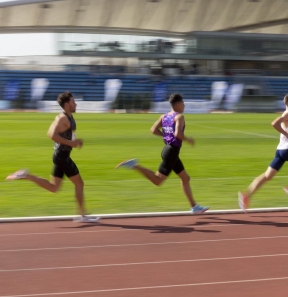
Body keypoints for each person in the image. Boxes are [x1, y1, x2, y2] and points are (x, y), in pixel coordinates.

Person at [6, 91, 100, 223]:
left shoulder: (69, 117)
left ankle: (26, 175)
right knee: (79, 183)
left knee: (54, 188)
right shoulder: (62, 118)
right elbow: (51, 134)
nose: (76, 104)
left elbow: (66, 136)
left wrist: (75, 141)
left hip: (61, 156)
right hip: (62, 156)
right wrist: (71, 143)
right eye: (73, 102)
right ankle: (82, 215)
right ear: (67, 105)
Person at [115, 93, 209, 214]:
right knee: (158, 181)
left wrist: (165, 135)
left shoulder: (164, 116)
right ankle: (134, 165)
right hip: (171, 152)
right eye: (183, 103)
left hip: (169, 150)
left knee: (185, 178)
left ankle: (194, 206)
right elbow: (178, 135)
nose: (184, 105)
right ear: (179, 104)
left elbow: (153, 130)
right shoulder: (179, 117)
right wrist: (188, 139)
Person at [238, 93, 288, 212]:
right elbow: (274, 123)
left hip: (281, 151)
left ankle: (246, 196)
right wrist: (286, 134)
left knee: (267, 176)